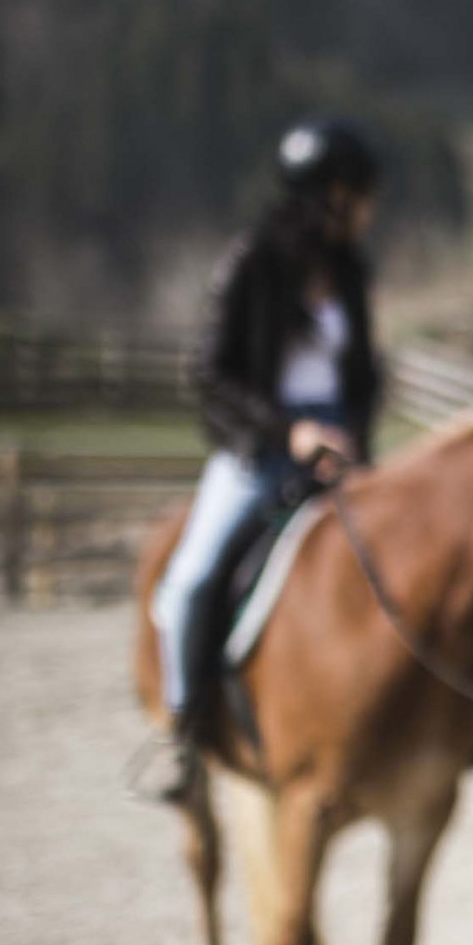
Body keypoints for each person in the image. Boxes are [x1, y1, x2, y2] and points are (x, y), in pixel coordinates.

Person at [147, 116, 381, 799]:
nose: (371, 211)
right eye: (364, 196)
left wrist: (353, 441)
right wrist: (292, 435)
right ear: (336, 194)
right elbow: (212, 374)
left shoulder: (351, 273)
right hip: (262, 451)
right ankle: (183, 733)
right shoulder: (252, 262)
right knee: (189, 581)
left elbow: (364, 376)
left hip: (344, 452)